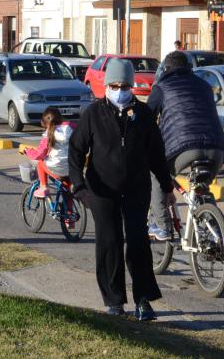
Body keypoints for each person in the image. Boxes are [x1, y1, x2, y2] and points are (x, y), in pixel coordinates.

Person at [68, 58, 174, 321]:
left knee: (138, 242)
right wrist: (79, 186)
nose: (119, 90)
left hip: (137, 189)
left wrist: (167, 185)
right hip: (101, 191)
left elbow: (157, 154)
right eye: (114, 85)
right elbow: (76, 151)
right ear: (106, 86)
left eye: (124, 85)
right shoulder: (93, 114)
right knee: (109, 242)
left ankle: (143, 299)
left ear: (131, 86)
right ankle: (113, 299)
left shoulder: (144, 115)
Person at [146, 51, 224, 240]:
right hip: (217, 147)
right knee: (202, 187)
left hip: (184, 147)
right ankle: (215, 234)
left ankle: (162, 226)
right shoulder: (205, 86)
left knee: (155, 174)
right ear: (190, 68)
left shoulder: (161, 87)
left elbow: (146, 118)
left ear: (166, 68)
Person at [23, 107, 75, 199]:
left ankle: (43, 187)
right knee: (66, 190)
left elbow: (39, 154)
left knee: (40, 163)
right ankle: (69, 212)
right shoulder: (71, 127)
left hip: (57, 169)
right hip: (72, 168)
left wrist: (27, 151)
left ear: (45, 123)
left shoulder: (48, 134)